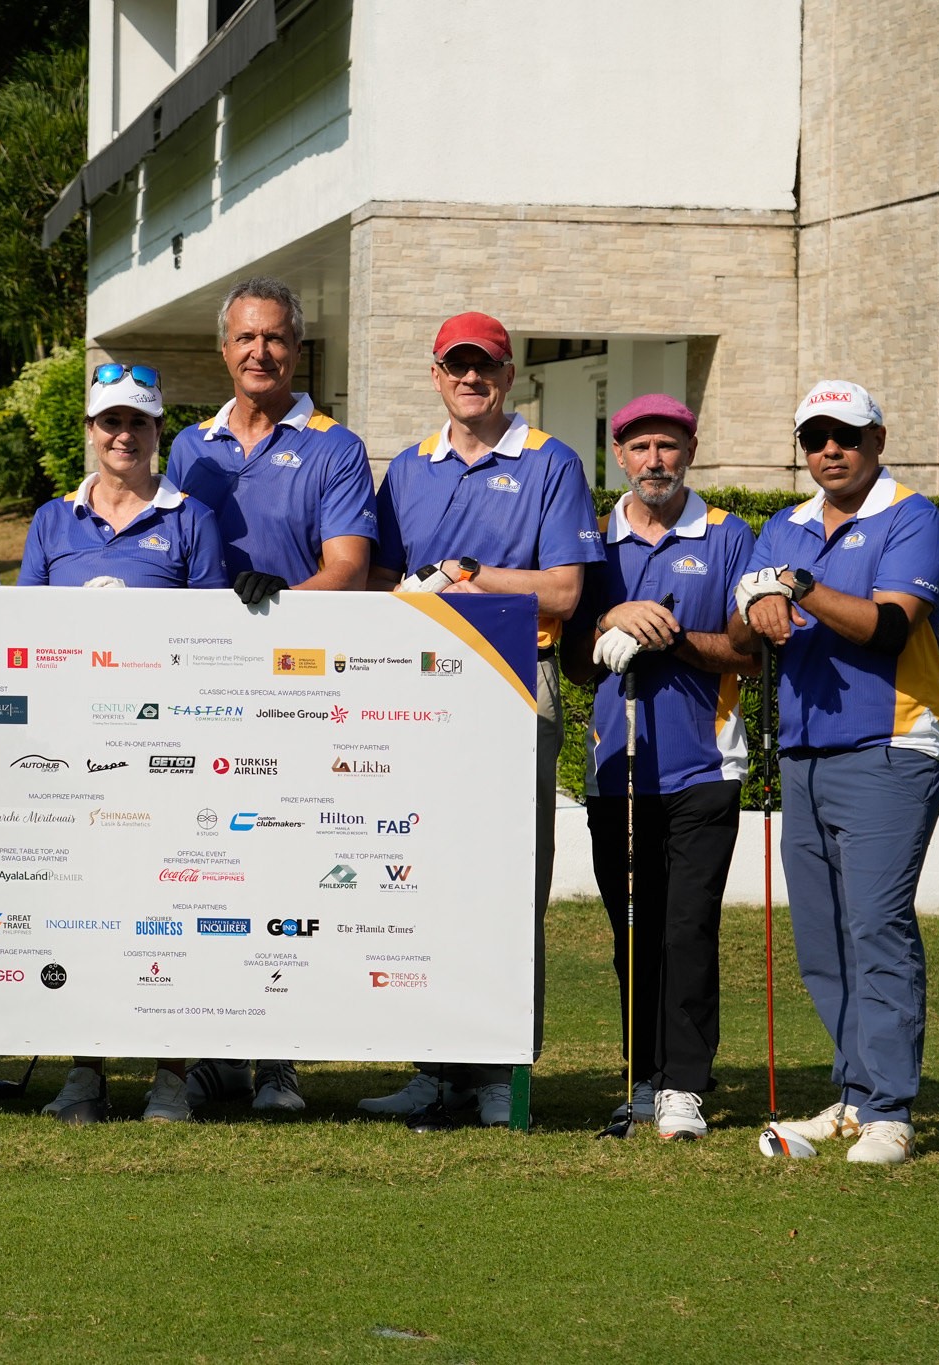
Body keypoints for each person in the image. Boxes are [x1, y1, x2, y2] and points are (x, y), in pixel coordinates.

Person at [357, 310, 602, 1128]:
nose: (471, 379)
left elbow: (564, 590)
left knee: (508, 882)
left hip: (514, 682)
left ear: (509, 374)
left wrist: (468, 575)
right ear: (436, 375)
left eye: (486, 366)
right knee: (424, 879)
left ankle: (502, 1070)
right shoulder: (409, 468)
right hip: (419, 690)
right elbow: (381, 580)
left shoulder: (550, 462)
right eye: (456, 366)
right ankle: (436, 1068)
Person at [727, 381, 939, 1166]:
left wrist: (795, 586)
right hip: (804, 750)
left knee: (876, 925)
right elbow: (743, 629)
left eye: (847, 435)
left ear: (877, 440)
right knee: (822, 936)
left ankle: (890, 1108)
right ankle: (857, 1096)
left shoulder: (912, 515)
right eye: (815, 437)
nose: (831, 449)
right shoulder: (782, 525)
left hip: (892, 744)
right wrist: (754, 608)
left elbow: (888, 625)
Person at [164, 276, 377, 1115]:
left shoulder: (335, 447)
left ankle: (278, 1058)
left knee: (286, 874)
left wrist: (276, 605)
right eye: (246, 337)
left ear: (298, 348)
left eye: (276, 337)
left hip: (297, 688)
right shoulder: (189, 448)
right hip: (203, 690)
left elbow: (348, 569)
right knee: (209, 874)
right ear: (225, 349)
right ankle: (216, 1050)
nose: (261, 351)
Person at [18, 363, 228, 1123]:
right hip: (75, 750)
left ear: (157, 430)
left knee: (170, 908)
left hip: (166, 751)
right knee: (83, 910)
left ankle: (171, 1076)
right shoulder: (53, 520)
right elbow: (23, 634)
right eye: (110, 421)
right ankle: (86, 1071)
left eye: (137, 421)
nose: (123, 435)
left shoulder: (191, 518)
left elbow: (213, 639)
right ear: (90, 431)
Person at [562, 395, 757, 1141]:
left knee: (688, 929)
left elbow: (748, 653)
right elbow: (575, 663)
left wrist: (669, 637)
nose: (654, 461)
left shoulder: (727, 534)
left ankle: (685, 1085)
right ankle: (641, 1076)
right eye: (640, 447)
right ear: (619, 456)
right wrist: (609, 620)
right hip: (617, 771)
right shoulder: (592, 539)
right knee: (633, 932)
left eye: (668, 446)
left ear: (690, 452)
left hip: (705, 766)